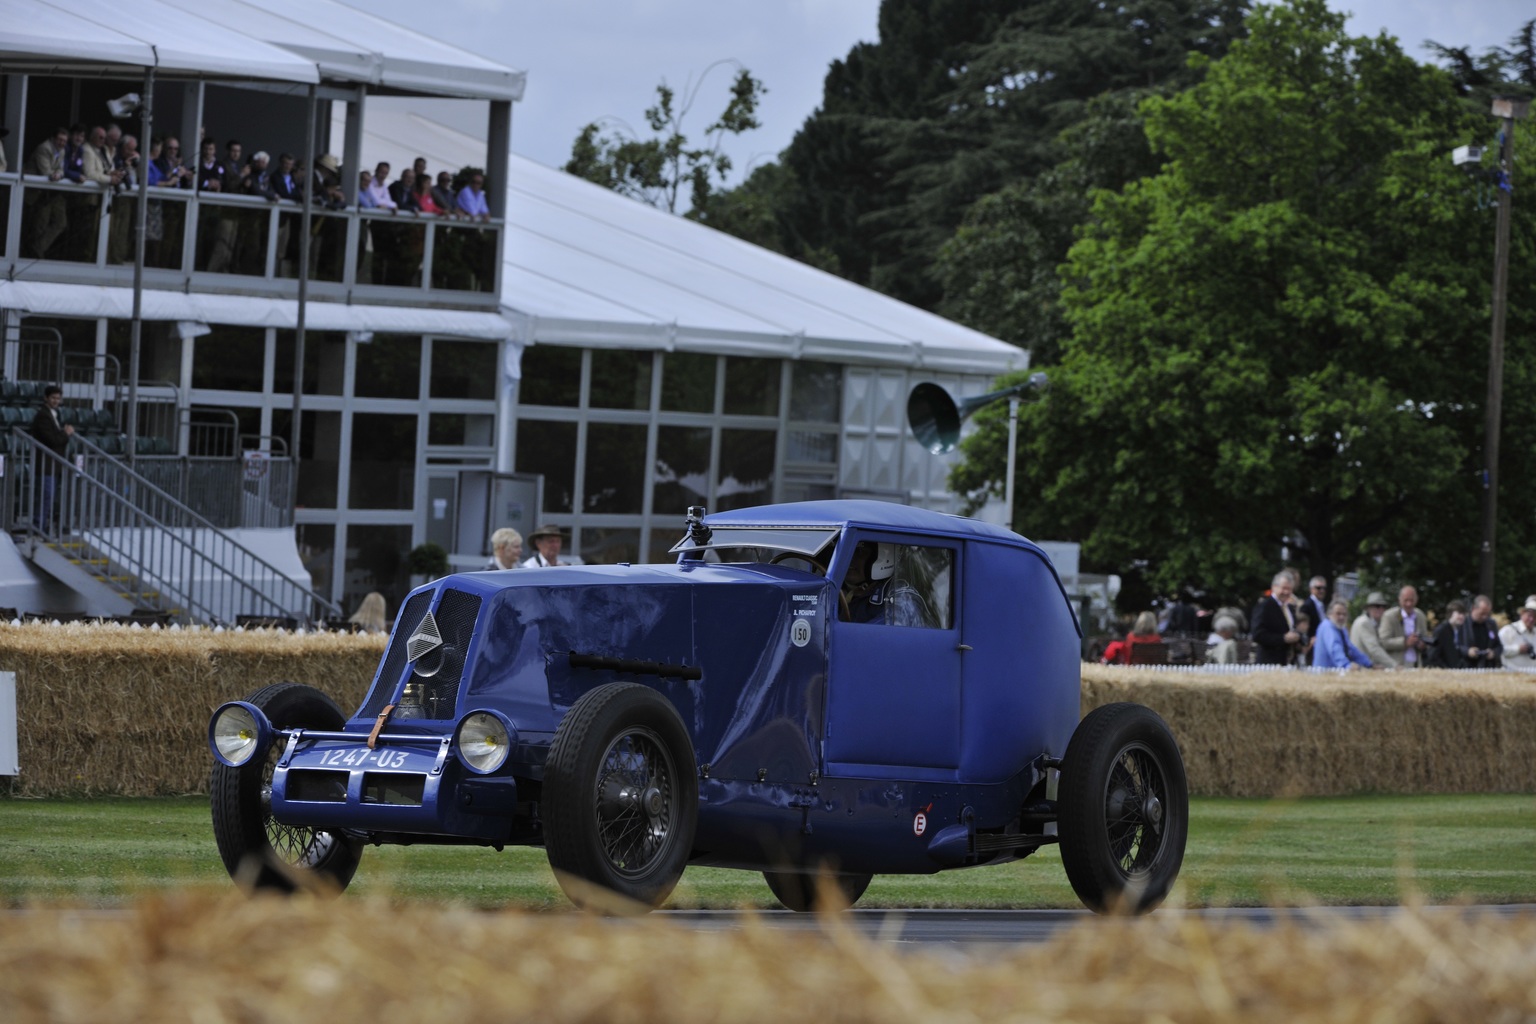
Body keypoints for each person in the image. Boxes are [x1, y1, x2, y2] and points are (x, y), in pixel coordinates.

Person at [839, 541, 929, 626]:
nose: (849, 558)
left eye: (860, 551)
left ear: (884, 558)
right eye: (847, 550)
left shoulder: (902, 601)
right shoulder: (838, 589)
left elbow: (873, 638)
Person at [30, 385, 74, 532]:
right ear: (46, 398)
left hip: (52, 465)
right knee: (45, 497)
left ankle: (42, 526)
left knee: (48, 497)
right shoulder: (43, 416)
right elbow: (52, 440)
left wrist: (62, 435)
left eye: (58, 398)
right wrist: (66, 434)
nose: (56, 401)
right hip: (45, 465)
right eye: (53, 398)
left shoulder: (54, 415)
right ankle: (39, 527)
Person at [1251, 572, 1301, 665]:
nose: (1286, 592)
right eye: (1284, 588)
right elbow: (1257, 634)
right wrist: (1282, 638)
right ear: (1274, 587)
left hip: (1287, 661)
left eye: (1289, 589)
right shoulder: (1264, 606)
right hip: (1269, 663)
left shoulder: (1289, 608)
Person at [1313, 600, 1373, 670]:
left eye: (1344, 614)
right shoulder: (1327, 627)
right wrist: (1347, 665)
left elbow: (1351, 649)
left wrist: (1369, 664)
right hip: (1324, 675)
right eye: (1338, 614)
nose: (1342, 617)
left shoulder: (1341, 628)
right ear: (1330, 614)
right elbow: (1335, 649)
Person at [1379, 585, 1430, 668]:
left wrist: (1422, 645)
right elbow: (1383, 642)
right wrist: (1405, 642)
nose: (1409, 604)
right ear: (1399, 600)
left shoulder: (1420, 616)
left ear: (1416, 600)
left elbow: (1425, 639)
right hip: (1397, 666)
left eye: (1411, 600)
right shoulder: (1389, 616)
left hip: (1416, 665)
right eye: (1405, 600)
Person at [1349, 591, 1395, 669]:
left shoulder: (1371, 622)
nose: (1380, 609)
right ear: (1369, 608)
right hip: (1362, 669)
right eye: (1377, 606)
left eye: (1383, 606)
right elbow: (1374, 649)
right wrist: (1394, 665)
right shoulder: (1364, 623)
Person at [1429, 601, 1470, 669]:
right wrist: (1446, 669)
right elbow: (1433, 655)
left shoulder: (1459, 630)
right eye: (1459, 613)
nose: (1462, 616)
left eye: (1464, 614)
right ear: (1451, 613)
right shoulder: (1441, 630)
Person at [1499, 597, 1536, 670]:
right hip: (1511, 675)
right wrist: (1518, 649)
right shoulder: (1508, 630)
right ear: (1522, 614)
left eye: (1535, 617)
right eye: (1529, 615)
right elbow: (1498, 650)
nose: (1531, 619)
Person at [1466, 595, 1502, 669]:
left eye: (1487, 614)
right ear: (1473, 608)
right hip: (1467, 666)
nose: (1484, 617)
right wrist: (1467, 651)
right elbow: (1455, 645)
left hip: (1487, 667)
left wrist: (1493, 653)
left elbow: (1499, 646)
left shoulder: (1491, 624)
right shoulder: (1463, 624)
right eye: (1482, 613)